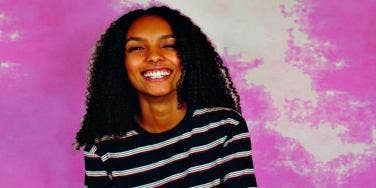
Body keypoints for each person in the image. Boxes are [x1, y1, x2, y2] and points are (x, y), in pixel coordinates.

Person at [75, 6, 257, 188]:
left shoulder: (226, 128)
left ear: (187, 57)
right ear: (119, 64)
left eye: (169, 45)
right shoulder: (102, 149)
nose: (154, 56)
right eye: (137, 48)